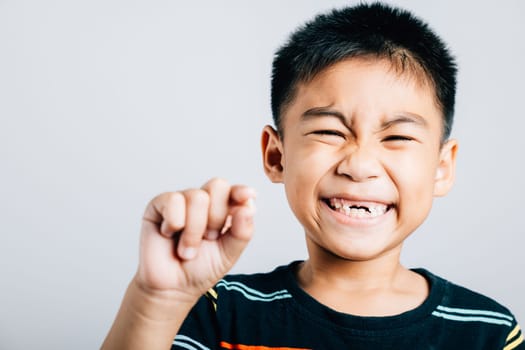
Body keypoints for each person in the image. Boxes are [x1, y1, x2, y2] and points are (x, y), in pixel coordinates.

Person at [102, 3, 524, 349]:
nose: (359, 165)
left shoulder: (486, 331)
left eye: (396, 136)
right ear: (276, 155)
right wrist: (156, 300)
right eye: (328, 132)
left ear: (441, 167)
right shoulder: (218, 311)